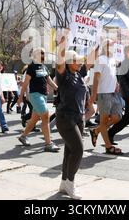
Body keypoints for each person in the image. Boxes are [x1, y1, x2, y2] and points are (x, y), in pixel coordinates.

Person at [55, 34, 89, 200]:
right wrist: (62, 45)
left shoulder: (79, 74)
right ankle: (70, 182)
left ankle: (63, 183)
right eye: (77, 60)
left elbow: (90, 60)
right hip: (65, 117)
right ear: (69, 62)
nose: (80, 63)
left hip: (78, 117)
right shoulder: (64, 75)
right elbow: (60, 62)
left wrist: (101, 47)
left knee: (69, 151)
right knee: (78, 149)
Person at [17, 48, 60, 152]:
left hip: (43, 96)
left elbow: (49, 80)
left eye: (44, 53)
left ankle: (23, 136)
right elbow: (25, 84)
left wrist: (59, 89)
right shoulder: (31, 67)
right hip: (35, 95)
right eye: (41, 53)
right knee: (45, 116)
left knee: (34, 119)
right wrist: (20, 97)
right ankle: (48, 143)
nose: (43, 55)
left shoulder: (44, 67)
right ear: (35, 55)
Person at [88, 40, 123, 155]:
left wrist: (116, 83)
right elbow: (96, 78)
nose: (113, 48)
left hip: (114, 93)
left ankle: (96, 130)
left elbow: (112, 74)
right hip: (103, 94)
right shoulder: (100, 60)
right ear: (105, 47)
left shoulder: (112, 60)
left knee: (117, 117)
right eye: (111, 46)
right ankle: (108, 146)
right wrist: (94, 94)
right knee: (103, 121)